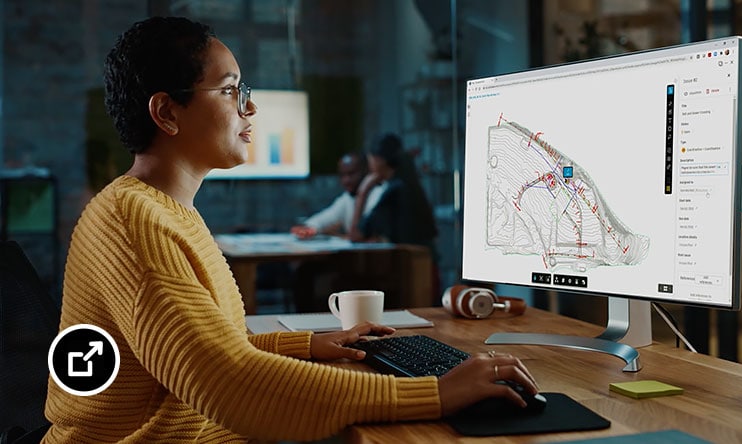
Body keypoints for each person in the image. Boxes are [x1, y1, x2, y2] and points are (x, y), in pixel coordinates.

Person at [43, 17, 539, 443]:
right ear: (167, 112)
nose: (249, 107)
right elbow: (227, 383)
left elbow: (211, 348)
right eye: (230, 90)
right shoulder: (135, 222)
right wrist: (436, 392)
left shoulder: (163, 210)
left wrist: (309, 344)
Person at [349, 133, 442, 298]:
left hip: (410, 277)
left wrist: (363, 191)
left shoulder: (393, 191)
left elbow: (355, 234)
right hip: (426, 269)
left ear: (379, 160)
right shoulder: (409, 183)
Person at [290, 152, 383, 239]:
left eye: (351, 174)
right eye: (342, 175)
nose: (346, 181)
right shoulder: (347, 198)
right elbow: (323, 219)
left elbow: (363, 235)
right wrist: (308, 228)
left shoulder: (380, 196)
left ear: (367, 172)